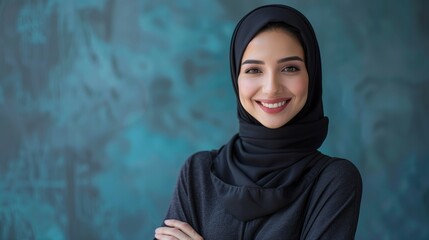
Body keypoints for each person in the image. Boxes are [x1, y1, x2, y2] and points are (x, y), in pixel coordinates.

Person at [154, 4, 362, 240]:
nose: (272, 87)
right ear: (236, 78)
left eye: (290, 68)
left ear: (311, 75)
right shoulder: (198, 172)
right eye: (254, 70)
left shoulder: (333, 179)